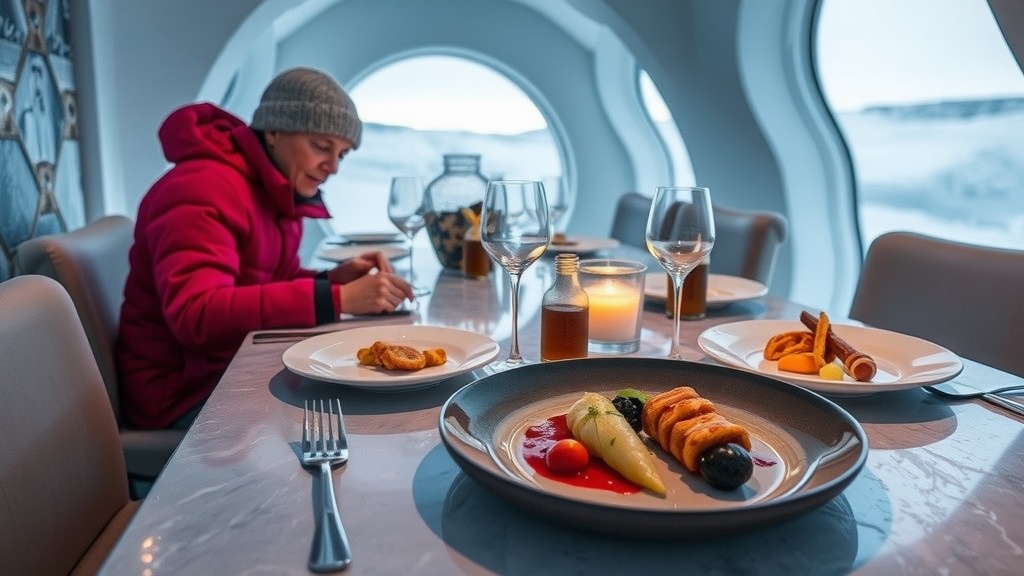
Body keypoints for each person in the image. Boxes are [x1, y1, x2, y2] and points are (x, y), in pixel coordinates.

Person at [118, 67, 414, 430]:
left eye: (343, 154)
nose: (333, 167)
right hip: (183, 394)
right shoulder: (201, 188)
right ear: (273, 130)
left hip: (227, 368)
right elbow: (195, 315)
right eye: (322, 146)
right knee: (366, 419)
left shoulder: (271, 191)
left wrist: (330, 280)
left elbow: (266, 281)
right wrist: (337, 300)